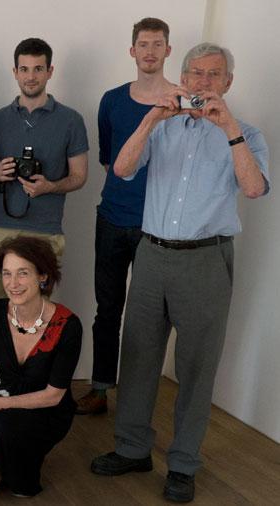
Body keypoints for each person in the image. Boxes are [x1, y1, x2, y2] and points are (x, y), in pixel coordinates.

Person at [91, 43, 269, 503]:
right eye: (195, 73)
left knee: (196, 366)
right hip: (151, 253)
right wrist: (151, 119)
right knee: (138, 356)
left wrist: (229, 129)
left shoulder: (247, 133)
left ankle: (184, 463)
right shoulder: (163, 129)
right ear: (182, 78)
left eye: (213, 75)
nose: (203, 82)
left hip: (205, 260)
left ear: (228, 82)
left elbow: (253, 188)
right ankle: (132, 448)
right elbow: (123, 169)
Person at [0, 38, 88, 377]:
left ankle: (31, 388)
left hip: (46, 230)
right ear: (15, 71)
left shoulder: (71, 120)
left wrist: (51, 185)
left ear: (50, 71)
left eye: (39, 69)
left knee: (39, 316)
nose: (31, 76)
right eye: (25, 69)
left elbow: (79, 176)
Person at [78, 17, 174, 415]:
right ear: (132, 51)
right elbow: (109, 159)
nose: (149, 51)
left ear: (168, 50)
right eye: (143, 44)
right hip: (113, 220)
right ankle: (100, 388)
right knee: (108, 308)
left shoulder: (179, 101)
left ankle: (137, 399)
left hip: (158, 227)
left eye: (158, 44)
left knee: (148, 318)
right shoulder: (112, 100)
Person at [0, 236, 82, 499]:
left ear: (43, 277)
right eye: (7, 274)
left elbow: (54, 395)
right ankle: (4, 459)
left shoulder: (68, 325)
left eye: (23, 274)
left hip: (45, 411)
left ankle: (15, 460)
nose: (13, 284)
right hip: (0, 401)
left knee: (16, 483)